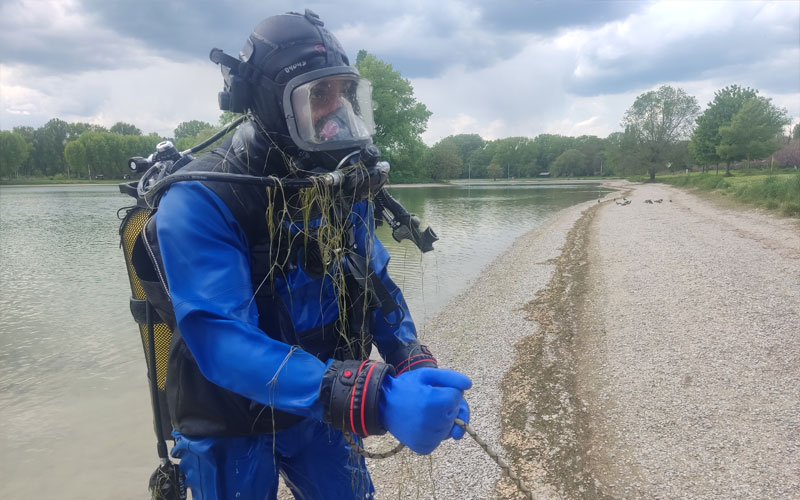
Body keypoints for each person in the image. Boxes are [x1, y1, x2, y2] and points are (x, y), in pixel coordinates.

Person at [143, 9, 471, 500]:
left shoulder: (339, 181)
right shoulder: (200, 199)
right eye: (318, 94)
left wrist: (410, 361)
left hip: (319, 407)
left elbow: (374, 281)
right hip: (230, 417)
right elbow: (219, 339)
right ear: (270, 102)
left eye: (343, 91)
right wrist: (372, 398)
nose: (336, 108)